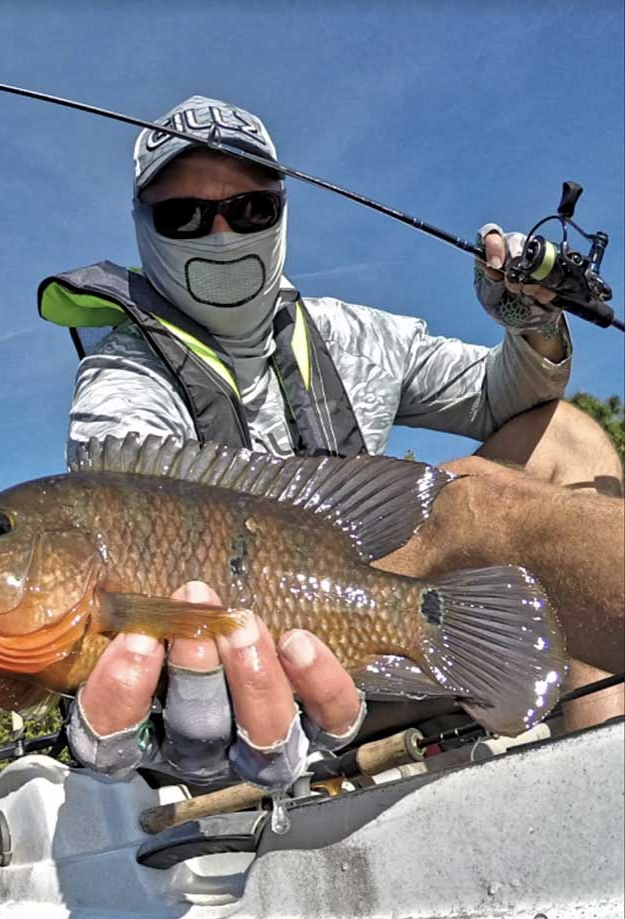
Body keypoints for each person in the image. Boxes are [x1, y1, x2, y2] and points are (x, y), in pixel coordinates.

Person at [37, 96, 624, 788]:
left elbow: (504, 395)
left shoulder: (355, 334)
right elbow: (124, 549)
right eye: (185, 215)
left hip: (375, 618)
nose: (222, 233)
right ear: (144, 228)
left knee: (567, 435)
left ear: (283, 209)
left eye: (250, 208)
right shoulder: (120, 381)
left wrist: (534, 323)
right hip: (260, 664)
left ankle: (602, 783)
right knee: (470, 503)